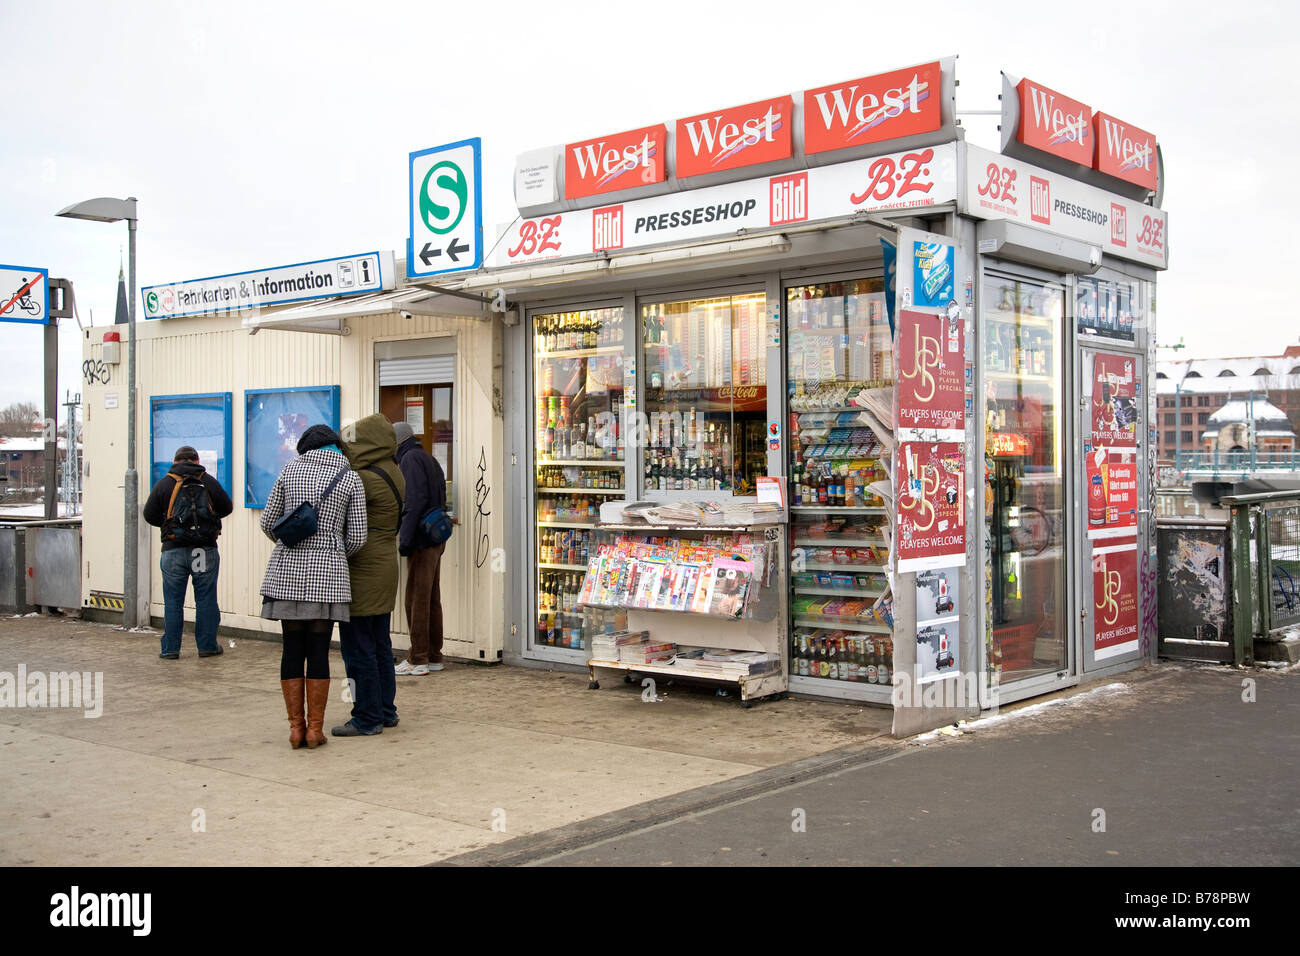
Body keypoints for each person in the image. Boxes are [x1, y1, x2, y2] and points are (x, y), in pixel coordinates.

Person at [260, 425, 367, 749]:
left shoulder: (289, 471)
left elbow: (268, 522)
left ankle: (295, 729)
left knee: (292, 649)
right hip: (329, 576)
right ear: (336, 446)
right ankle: (315, 731)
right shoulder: (350, 477)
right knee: (319, 650)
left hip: (287, 572)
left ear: (305, 448)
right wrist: (333, 550)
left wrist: (292, 543)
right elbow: (359, 536)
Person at [332, 414, 405, 737]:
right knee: (379, 644)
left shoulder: (361, 479)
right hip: (386, 563)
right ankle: (386, 710)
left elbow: (343, 519)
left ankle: (366, 716)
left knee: (357, 647)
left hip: (363, 568)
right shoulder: (393, 470)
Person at [142, 446, 234, 660]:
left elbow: (149, 514)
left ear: (174, 461)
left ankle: (171, 649)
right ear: (197, 460)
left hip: (173, 550)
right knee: (206, 598)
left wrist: (168, 524)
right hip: (205, 549)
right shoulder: (208, 481)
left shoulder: (165, 484)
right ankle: (207, 646)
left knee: (173, 600)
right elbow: (227, 507)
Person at [393, 421, 447, 676]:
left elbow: (412, 503)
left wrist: (404, 541)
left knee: (415, 599)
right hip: (436, 535)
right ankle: (434, 655)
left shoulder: (409, 460)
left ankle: (418, 658)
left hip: (421, 539)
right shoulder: (428, 457)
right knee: (431, 598)